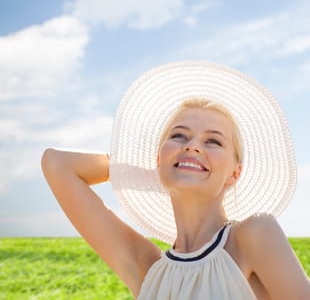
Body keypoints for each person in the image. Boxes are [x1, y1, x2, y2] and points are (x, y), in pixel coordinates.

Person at [41, 61, 310, 299]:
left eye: (213, 141)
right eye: (179, 136)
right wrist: (156, 170)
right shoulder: (148, 268)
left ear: (234, 174)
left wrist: (180, 166)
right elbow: (57, 163)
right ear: (158, 158)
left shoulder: (253, 235)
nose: (192, 146)